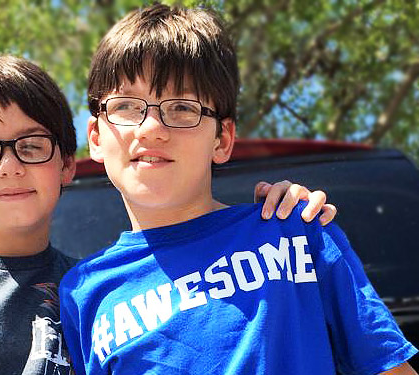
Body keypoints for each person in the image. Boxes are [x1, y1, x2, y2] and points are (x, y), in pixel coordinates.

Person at [0, 55, 333, 374]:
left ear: (67, 163)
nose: (8, 166)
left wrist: (286, 218)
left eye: (31, 146)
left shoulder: (92, 293)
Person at [59, 4, 418, 375]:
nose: (150, 128)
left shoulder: (295, 231)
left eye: (182, 107)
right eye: (128, 107)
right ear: (96, 138)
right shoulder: (82, 294)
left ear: (222, 139)